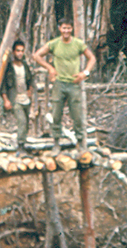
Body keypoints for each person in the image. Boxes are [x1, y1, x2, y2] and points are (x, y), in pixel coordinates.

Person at [33, 18, 96, 155]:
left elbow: (92, 58)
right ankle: (56, 143)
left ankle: (81, 143)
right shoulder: (54, 44)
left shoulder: (78, 44)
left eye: (68, 28)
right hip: (59, 83)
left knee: (77, 116)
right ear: (59, 29)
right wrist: (50, 68)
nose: (66, 31)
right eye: (64, 28)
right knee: (56, 115)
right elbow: (37, 55)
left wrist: (84, 73)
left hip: (74, 84)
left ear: (72, 29)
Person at [1, 40, 34, 156]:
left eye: (22, 51)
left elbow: (30, 80)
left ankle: (23, 143)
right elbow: (3, 85)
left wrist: (30, 91)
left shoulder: (25, 65)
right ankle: (20, 146)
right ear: (14, 52)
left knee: (26, 123)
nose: (20, 53)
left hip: (26, 99)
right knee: (22, 121)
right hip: (15, 99)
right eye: (18, 51)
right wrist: (6, 100)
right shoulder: (8, 67)